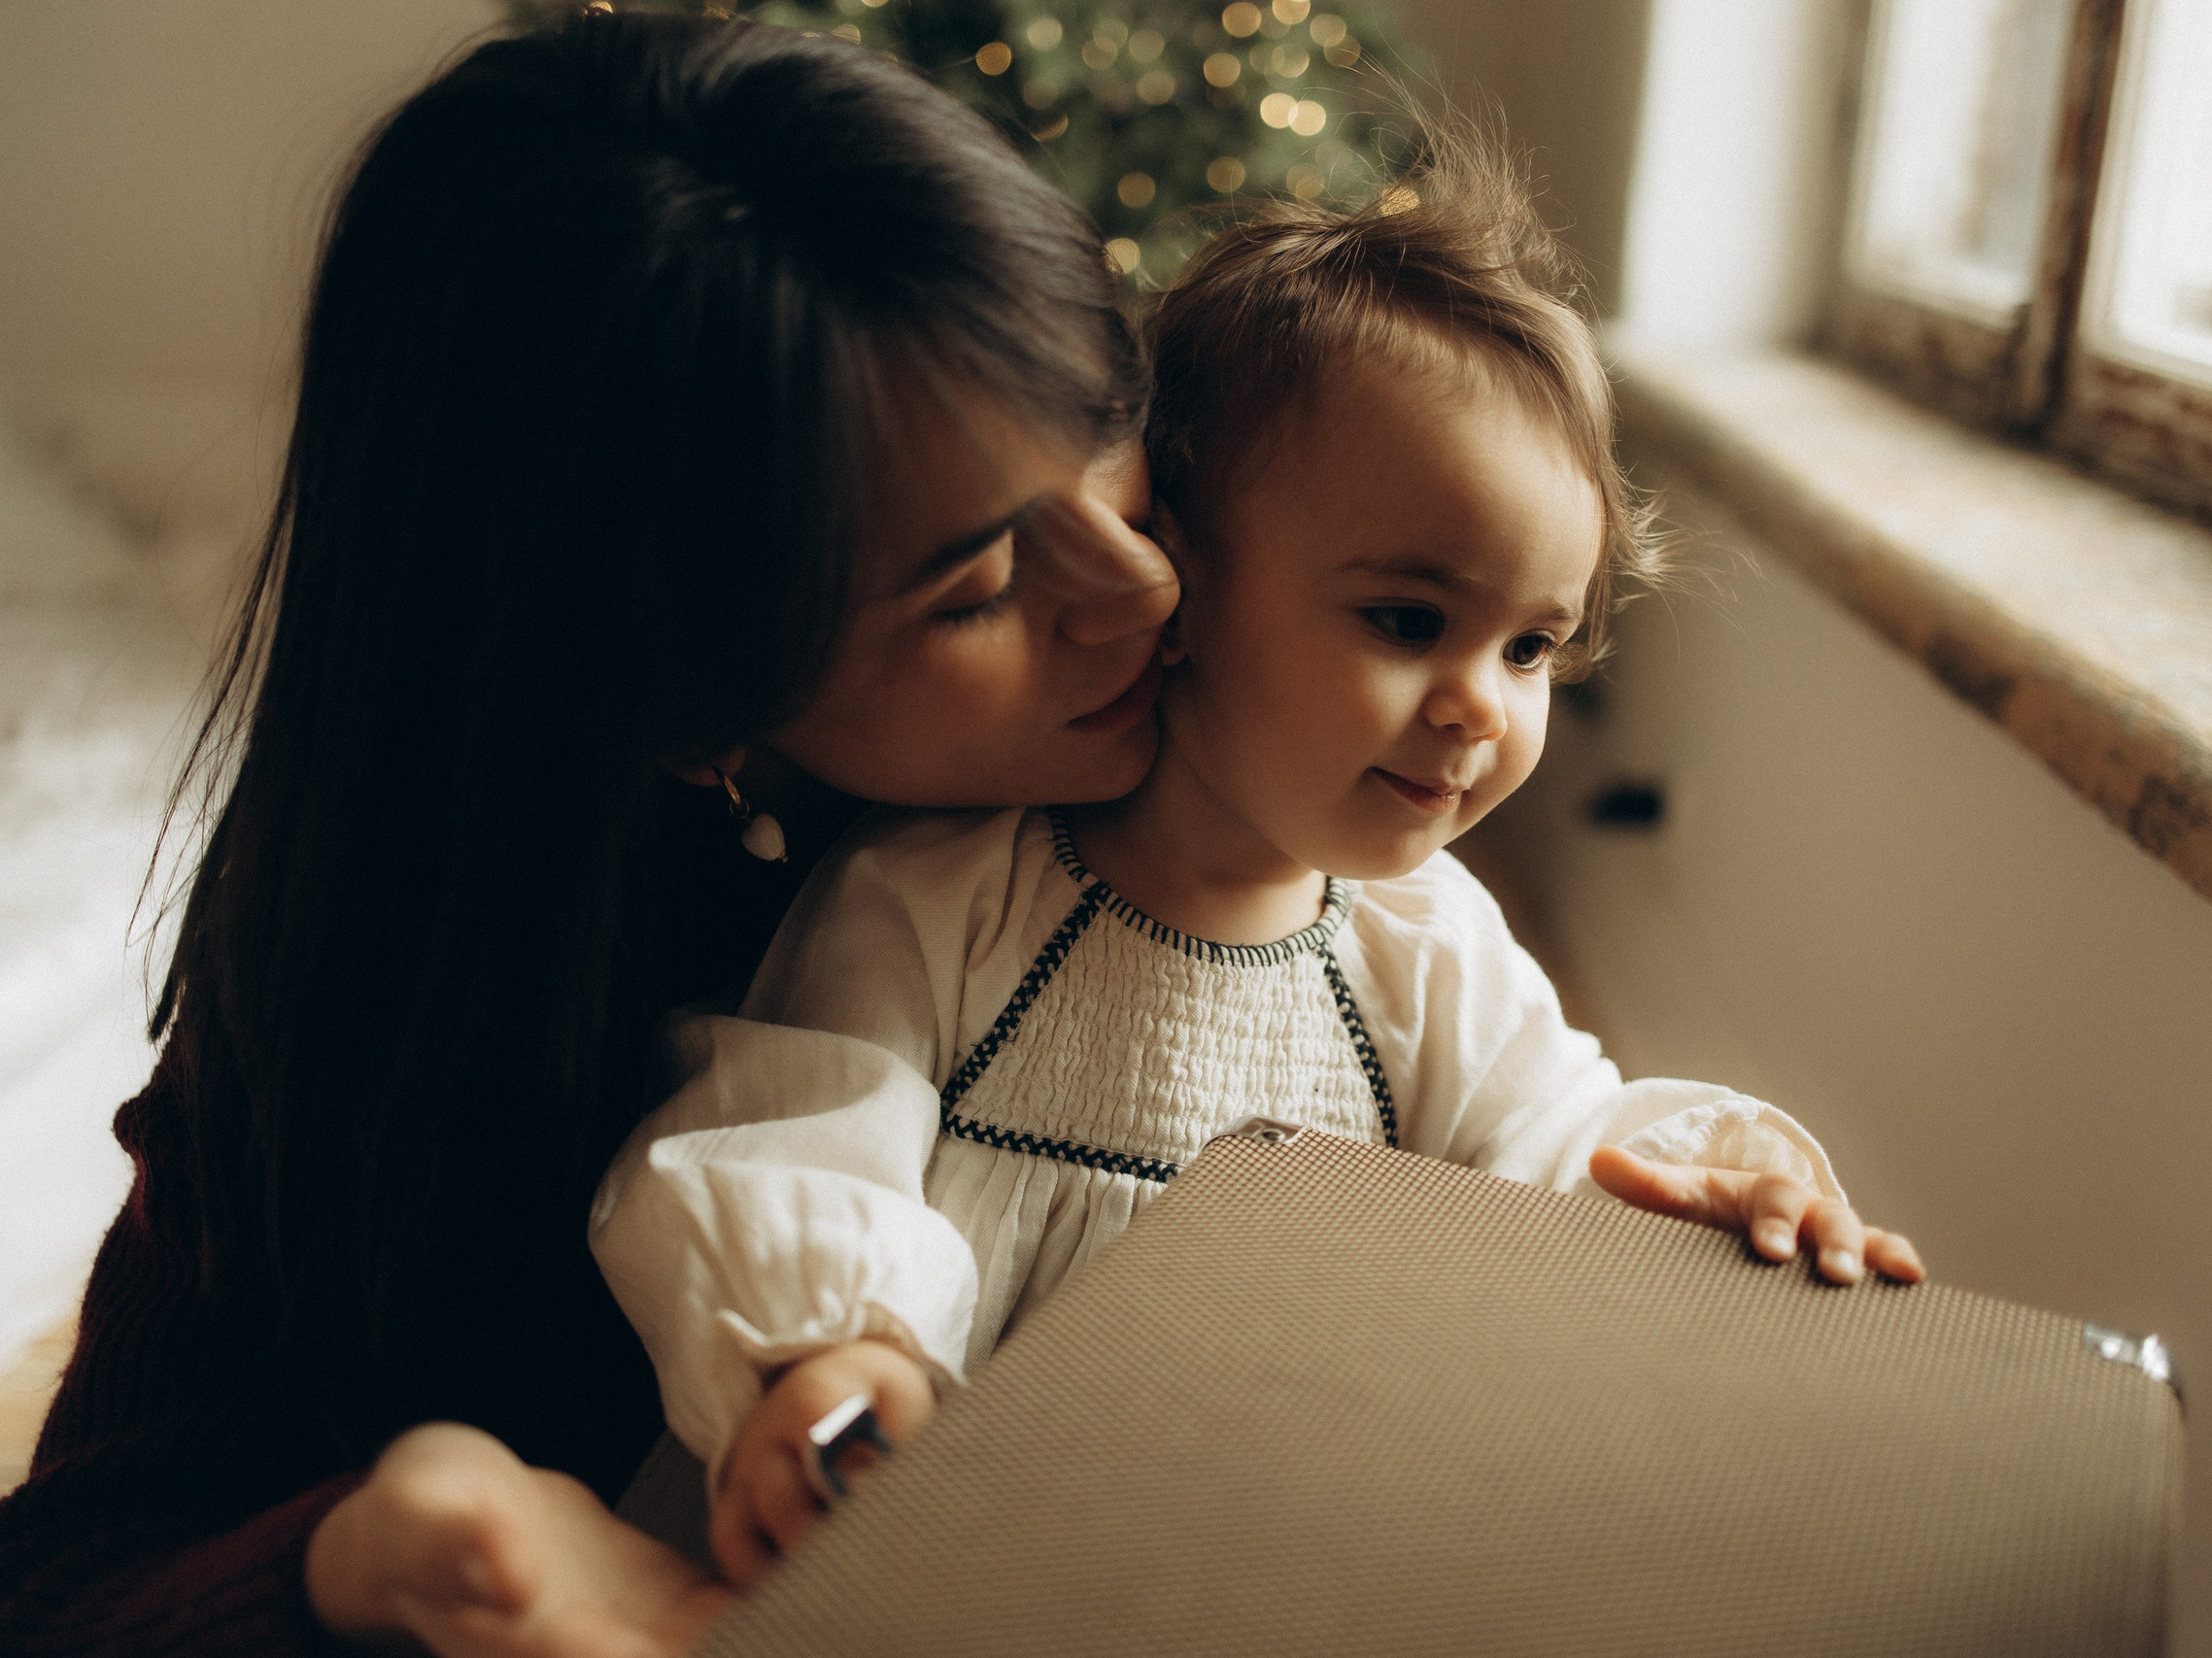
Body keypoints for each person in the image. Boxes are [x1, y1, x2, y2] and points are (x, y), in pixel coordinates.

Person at [0, 13, 1187, 1655]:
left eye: (1110, 428)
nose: (1147, 586)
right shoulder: (390, 986)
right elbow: (70, 1573)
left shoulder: (1243, 727)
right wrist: (362, 1554)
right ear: (680, 698)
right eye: (976, 589)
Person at [591, 128, 1926, 1588]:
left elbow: (1548, 1145)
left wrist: (1700, 1190)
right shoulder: (945, 891)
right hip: (954, 1519)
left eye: (1531, 645)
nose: (1483, 706)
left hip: (1251, 1532)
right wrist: (836, 1355)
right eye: (1409, 621)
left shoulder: (1430, 949)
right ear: (1184, 579)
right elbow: (795, 1132)